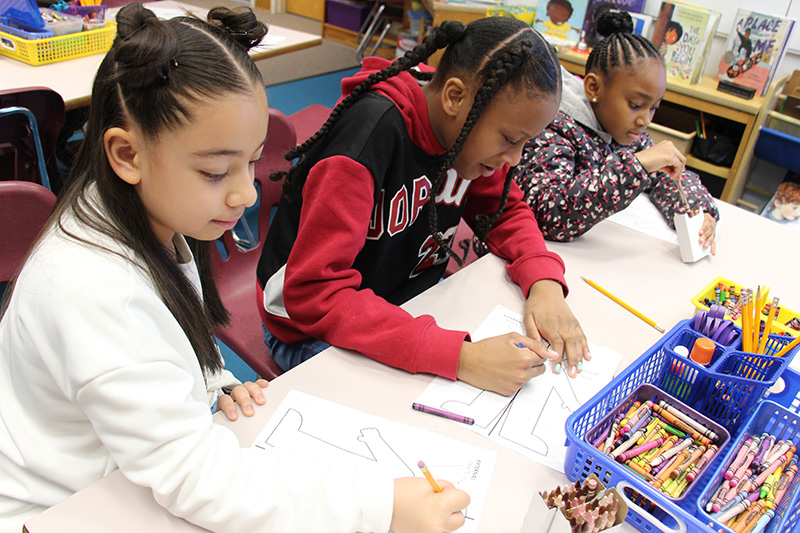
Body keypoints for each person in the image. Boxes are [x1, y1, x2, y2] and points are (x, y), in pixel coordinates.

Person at [0, 4, 469, 532]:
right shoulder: (97, 290)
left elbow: (163, 341)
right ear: (127, 154)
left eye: (251, 162)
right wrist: (380, 508)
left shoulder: (147, 210)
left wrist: (208, 380)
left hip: (114, 472)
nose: (246, 192)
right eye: (216, 171)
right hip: (58, 509)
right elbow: (197, 480)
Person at [256, 16, 591, 394]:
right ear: (454, 97)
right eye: (510, 139)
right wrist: (460, 357)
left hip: (399, 304)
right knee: (414, 410)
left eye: (524, 144)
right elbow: (315, 291)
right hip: (303, 327)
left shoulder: (469, 135)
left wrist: (543, 283)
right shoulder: (366, 141)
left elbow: (504, 211)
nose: (514, 159)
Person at [513, 11, 719, 248]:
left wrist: (698, 209)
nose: (645, 120)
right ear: (594, 88)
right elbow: (548, 215)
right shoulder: (554, 128)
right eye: (635, 105)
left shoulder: (629, 133)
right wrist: (636, 167)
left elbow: (665, 177)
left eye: (653, 108)